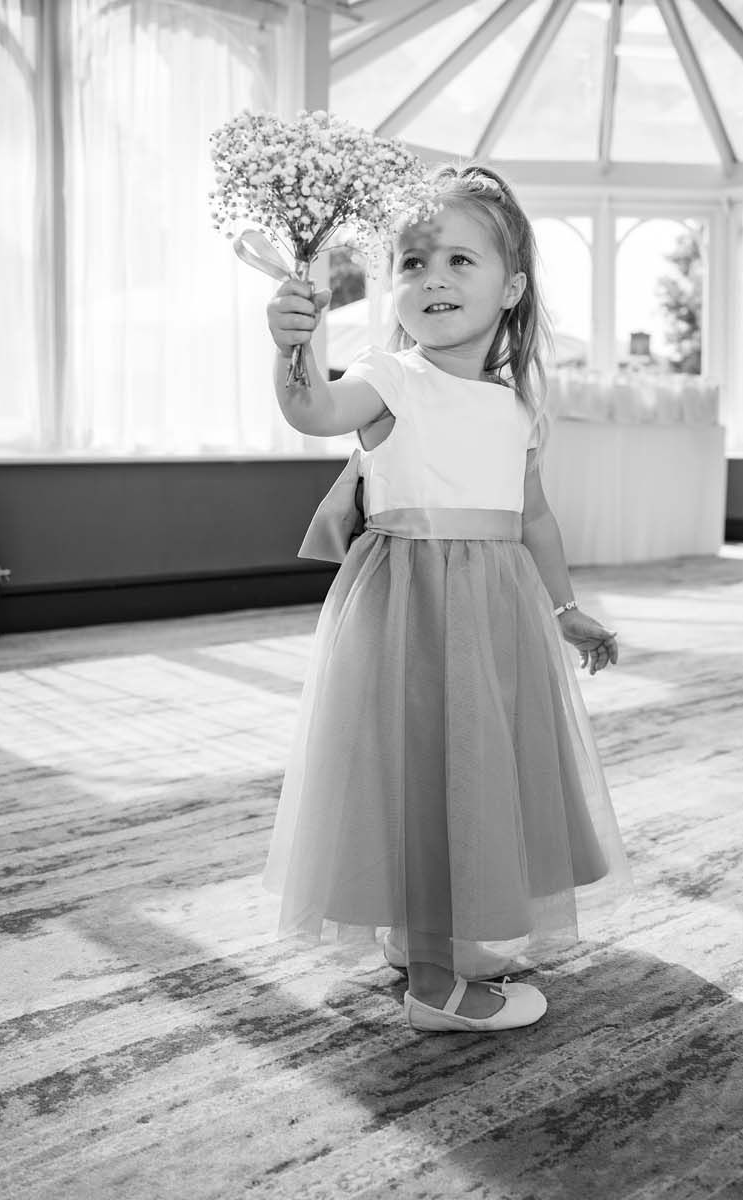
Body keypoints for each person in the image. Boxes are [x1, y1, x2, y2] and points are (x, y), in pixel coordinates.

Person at [260, 164, 631, 1033]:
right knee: (421, 774)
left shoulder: (517, 405)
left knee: (473, 776)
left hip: (496, 618)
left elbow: (532, 517)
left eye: (461, 261)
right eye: (414, 263)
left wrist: (563, 606)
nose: (434, 279)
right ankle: (437, 987)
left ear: (513, 288)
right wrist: (289, 343)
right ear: (390, 290)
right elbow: (313, 410)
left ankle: (430, 933)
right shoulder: (391, 379)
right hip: (412, 619)